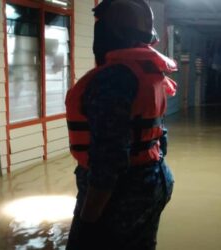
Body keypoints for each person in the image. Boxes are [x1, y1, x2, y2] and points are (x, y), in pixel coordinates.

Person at [65, 0, 177, 249]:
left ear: (108, 32)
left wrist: (87, 223)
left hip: (124, 193)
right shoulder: (148, 73)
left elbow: (109, 160)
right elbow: (160, 138)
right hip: (153, 179)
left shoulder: (113, 79)